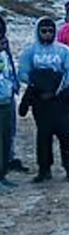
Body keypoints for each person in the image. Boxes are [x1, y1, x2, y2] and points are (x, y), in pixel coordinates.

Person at [17, 17, 69, 182]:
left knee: (65, 135)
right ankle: (44, 169)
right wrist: (37, 85)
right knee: (43, 136)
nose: (47, 34)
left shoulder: (63, 51)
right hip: (40, 100)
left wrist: (58, 88)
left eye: (50, 31)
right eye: (43, 31)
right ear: (38, 31)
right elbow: (23, 72)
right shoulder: (30, 51)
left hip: (59, 100)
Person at [0, 16, 18, 185]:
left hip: (7, 97)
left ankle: (3, 172)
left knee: (7, 136)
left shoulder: (4, 45)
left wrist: (15, 86)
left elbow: (10, 67)